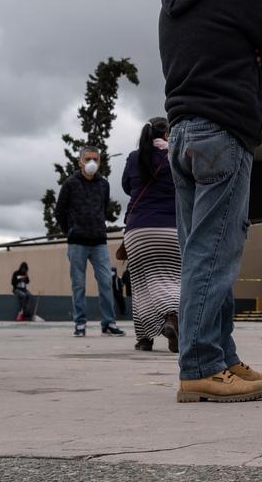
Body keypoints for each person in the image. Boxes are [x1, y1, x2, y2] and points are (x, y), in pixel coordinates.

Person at [160, 0, 262, 402]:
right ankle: (198, 367)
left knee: (202, 250)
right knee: (212, 256)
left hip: (180, 134)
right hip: (223, 132)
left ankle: (221, 358)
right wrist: (252, 56)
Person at [120, 118, 181, 353]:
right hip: (172, 228)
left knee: (141, 284)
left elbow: (127, 186)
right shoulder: (175, 156)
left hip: (137, 231)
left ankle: (145, 338)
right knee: (173, 279)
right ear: (167, 134)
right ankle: (172, 317)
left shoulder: (135, 157)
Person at [54, 146, 124, 338]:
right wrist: (70, 230)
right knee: (78, 284)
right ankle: (80, 323)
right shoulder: (70, 184)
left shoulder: (104, 184)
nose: (91, 162)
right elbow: (59, 211)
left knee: (106, 283)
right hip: (77, 242)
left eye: (95, 159)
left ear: (100, 162)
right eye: (88, 159)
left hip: (99, 241)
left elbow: (103, 208)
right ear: (80, 162)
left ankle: (108, 323)